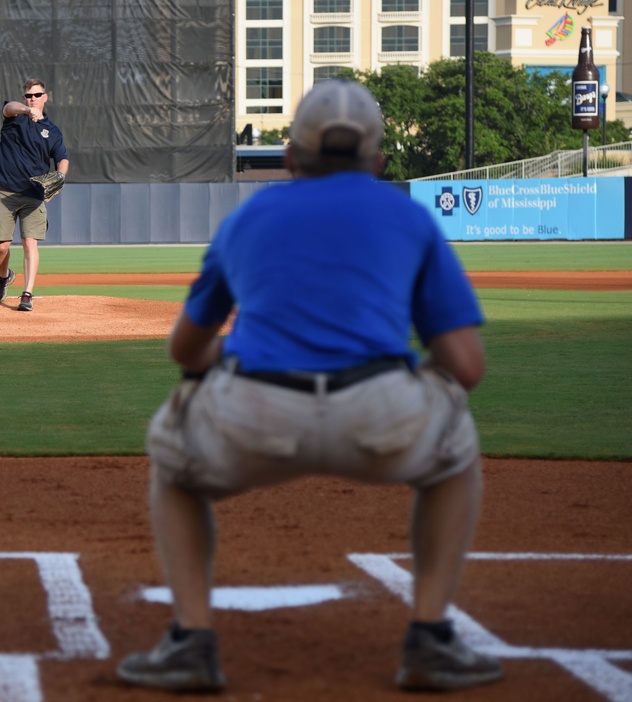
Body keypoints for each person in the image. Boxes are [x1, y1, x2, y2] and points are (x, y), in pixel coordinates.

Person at [115, 79, 504, 694]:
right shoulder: (409, 217)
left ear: (291, 158)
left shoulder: (251, 216)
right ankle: (430, 637)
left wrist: (226, 356)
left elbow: (184, 351)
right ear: (377, 162)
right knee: (456, 443)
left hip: (255, 411)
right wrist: (413, 372)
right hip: (381, 412)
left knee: (173, 452)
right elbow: (467, 365)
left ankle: (191, 641)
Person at [0, 78, 69, 312]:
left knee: (29, 242)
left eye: (36, 95)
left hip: (33, 194)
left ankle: (27, 294)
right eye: (28, 95)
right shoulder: (15, 118)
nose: (31, 99)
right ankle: (4, 276)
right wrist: (25, 110)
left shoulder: (52, 131)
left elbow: (62, 158)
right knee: (2, 246)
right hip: (5, 191)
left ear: (45, 97)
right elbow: (7, 108)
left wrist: (61, 177)